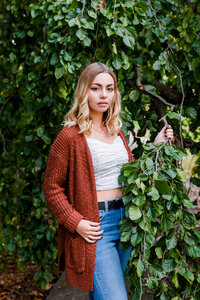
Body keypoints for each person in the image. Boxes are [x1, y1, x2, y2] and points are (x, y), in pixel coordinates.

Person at [43, 62, 173, 300]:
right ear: (84, 91)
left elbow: (128, 173)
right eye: (96, 88)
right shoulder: (70, 136)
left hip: (125, 222)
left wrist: (156, 145)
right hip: (95, 226)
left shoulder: (115, 129)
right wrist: (75, 222)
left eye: (109, 88)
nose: (104, 95)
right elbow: (52, 187)